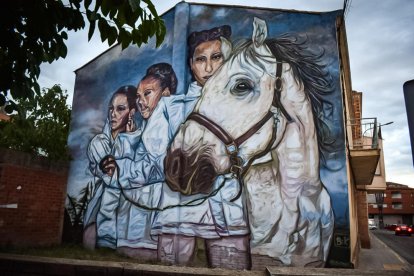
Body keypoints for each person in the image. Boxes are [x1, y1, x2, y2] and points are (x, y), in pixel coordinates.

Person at [153, 25, 250, 270]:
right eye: (201, 59)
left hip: (227, 208)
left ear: (227, 60)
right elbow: (154, 152)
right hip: (178, 207)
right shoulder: (171, 106)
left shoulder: (242, 104)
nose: (208, 68)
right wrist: (189, 169)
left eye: (216, 57)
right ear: (191, 64)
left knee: (233, 271)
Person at [99, 62, 184, 260]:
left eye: (148, 93)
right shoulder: (154, 122)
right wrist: (129, 139)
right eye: (138, 96)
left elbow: (157, 167)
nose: (141, 101)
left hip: (149, 213)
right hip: (142, 213)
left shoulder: (162, 120)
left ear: (165, 94)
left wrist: (120, 169)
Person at [83, 85, 141, 249]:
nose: (113, 114)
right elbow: (114, 177)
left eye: (120, 109)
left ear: (131, 112)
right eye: (111, 109)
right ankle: (106, 241)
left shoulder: (139, 140)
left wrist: (130, 139)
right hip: (102, 218)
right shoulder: (98, 143)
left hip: (130, 223)